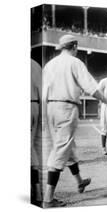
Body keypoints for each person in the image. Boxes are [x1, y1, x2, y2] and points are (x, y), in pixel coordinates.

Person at [42, 34, 107, 208]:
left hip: (50, 107)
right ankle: (48, 199)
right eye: (77, 46)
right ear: (73, 46)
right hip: (66, 107)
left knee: (67, 147)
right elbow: (91, 87)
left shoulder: (50, 64)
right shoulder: (75, 62)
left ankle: (79, 181)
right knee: (61, 150)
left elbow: (43, 90)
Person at [31, 59, 42, 206]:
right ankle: (37, 192)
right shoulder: (35, 64)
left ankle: (38, 192)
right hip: (34, 105)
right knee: (31, 148)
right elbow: (42, 91)